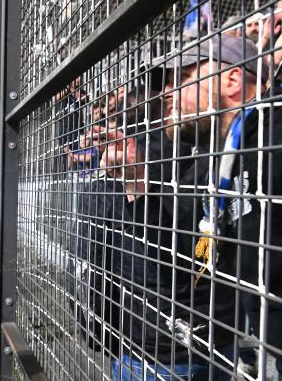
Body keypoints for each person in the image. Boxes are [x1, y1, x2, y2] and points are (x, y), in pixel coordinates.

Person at [101, 34, 282, 379]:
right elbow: (201, 256)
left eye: (181, 78)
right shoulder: (222, 157)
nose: (166, 93)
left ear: (231, 80)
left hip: (186, 348)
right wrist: (138, 184)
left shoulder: (269, 138)